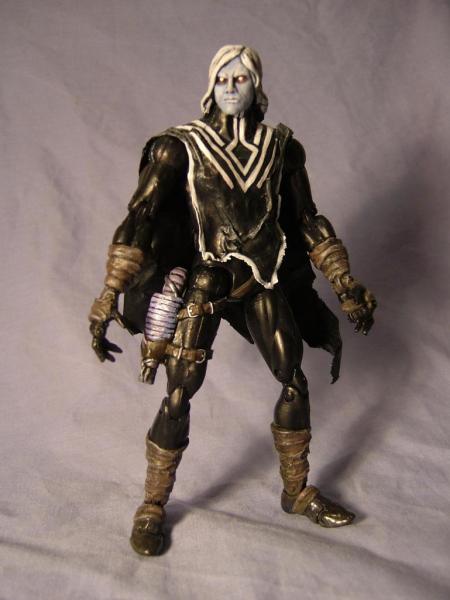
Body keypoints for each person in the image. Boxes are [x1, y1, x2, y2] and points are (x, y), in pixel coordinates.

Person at [89, 45, 376, 556]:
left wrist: (343, 281)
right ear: (210, 84)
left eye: (241, 78)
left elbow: (307, 219)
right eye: (223, 77)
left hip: (260, 280)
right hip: (204, 284)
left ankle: (296, 491)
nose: (230, 86)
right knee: (179, 393)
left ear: (256, 86)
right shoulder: (180, 147)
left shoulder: (281, 149)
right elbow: (141, 216)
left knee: (293, 380)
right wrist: (110, 290)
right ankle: (152, 504)